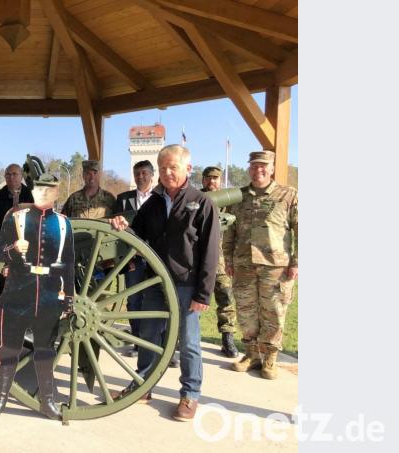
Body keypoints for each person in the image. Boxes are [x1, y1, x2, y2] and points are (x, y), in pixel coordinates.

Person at [109, 144, 220, 421]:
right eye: (163, 168)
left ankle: (190, 395)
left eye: (173, 167)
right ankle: (142, 386)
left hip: (186, 284)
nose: (167, 173)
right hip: (155, 281)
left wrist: (203, 294)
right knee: (148, 336)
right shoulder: (154, 203)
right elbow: (140, 235)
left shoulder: (202, 202)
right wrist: (125, 227)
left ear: (188, 169)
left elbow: (210, 252)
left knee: (189, 342)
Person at [0, 172, 74, 421]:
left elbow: (68, 263)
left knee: (45, 350)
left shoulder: (64, 224)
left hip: (48, 293)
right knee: (9, 349)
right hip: (18, 291)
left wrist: (68, 299)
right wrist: (13, 250)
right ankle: (0, 402)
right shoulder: (17, 219)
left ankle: (47, 402)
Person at [223, 151, 297, 380]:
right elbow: (229, 232)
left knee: (274, 312)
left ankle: (270, 358)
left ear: (272, 168)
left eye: (263, 166)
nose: (259, 170)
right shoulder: (239, 197)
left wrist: (296, 261)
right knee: (246, 313)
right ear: (249, 169)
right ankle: (252, 354)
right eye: (254, 166)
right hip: (243, 264)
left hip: (275, 266)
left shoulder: (288, 195)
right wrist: (228, 260)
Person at [112, 160, 156, 356]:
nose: (140, 177)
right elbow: (113, 231)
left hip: (156, 257)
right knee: (134, 300)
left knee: (157, 299)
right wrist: (125, 259)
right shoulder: (123, 199)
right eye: (137, 173)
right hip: (132, 258)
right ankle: (138, 341)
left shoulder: (160, 198)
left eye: (144, 173)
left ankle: (159, 344)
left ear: (151, 175)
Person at [200, 166, 238, 358]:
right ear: (203, 180)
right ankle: (187, 336)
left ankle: (227, 337)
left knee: (225, 297)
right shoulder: (196, 199)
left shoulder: (229, 202)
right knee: (193, 297)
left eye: (215, 178)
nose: (211, 181)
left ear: (220, 181)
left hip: (221, 259)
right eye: (208, 178)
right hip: (198, 258)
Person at [0, 164, 33, 248]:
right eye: (8, 174)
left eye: (15, 174)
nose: (11, 177)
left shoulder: (32, 196)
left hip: (26, 245)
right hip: (1, 245)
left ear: (21, 176)